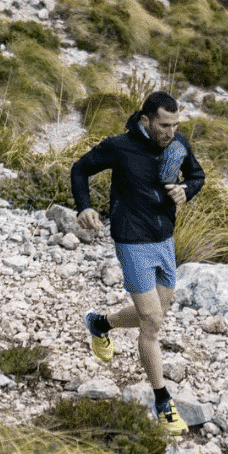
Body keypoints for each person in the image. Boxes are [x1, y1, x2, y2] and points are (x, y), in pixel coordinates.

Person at [71, 90, 204, 435]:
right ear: (146, 121)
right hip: (131, 239)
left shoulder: (178, 145)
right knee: (152, 323)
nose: (170, 132)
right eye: (163, 125)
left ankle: (100, 324)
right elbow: (80, 169)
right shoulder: (120, 146)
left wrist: (186, 190)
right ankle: (163, 401)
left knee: (156, 312)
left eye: (175, 125)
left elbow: (197, 176)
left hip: (165, 239)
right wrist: (84, 206)